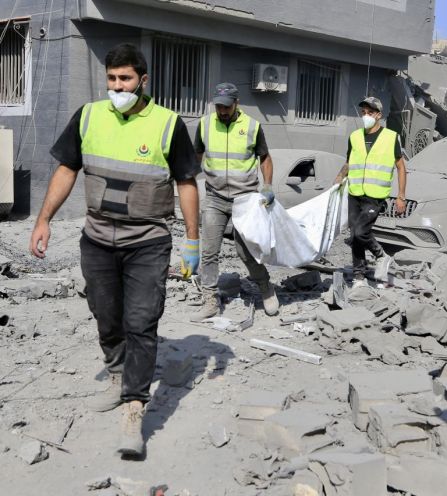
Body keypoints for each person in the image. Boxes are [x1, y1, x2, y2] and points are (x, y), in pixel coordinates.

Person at [29, 43, 201, 456]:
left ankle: (134, 407)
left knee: (141, 321)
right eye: (111, 79)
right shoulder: (88, 116)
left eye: (125, 79)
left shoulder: (167, 124)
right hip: (98, 239)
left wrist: (193, 239)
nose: (117, 87)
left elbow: (186, 183)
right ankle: (117, 373)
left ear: (143, 81)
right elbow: (68, 168)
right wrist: (43, 218)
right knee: (106, 316)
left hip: (148, 242)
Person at [190, 82, 279, 322]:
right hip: (215, 197)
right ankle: (209, 300)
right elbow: (196, 158)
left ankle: (265, 288)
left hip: (245, 200)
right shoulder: (205, 124)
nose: (222, 111)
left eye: (227, 107)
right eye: (219, 106)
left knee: (246, 251)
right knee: (209, 251)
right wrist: (184, 179)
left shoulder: (252, 126)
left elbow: (265, 158)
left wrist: (268, 185)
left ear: (236, 103)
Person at [334, 97, 406, 287]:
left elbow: (401, 167)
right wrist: (339, 178)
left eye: (370, 113)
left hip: (375, 196)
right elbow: (349, 162)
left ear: (379, 115)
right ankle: (359, 276)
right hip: (355, 192)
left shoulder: (391, 137)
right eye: (363, 112)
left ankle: (381, 255)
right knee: (354, 236)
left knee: (360, 232)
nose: (366, 116)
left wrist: (401, 196)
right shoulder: (355, 136)